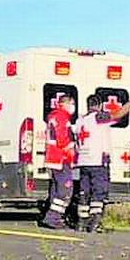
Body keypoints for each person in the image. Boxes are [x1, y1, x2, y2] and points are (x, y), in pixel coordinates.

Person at [73, 91, 130, 232]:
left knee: (84, 192)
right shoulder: (98, 117)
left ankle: (81, 222)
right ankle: (95, 223)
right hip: (97, 161)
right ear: (98, 106)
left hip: (83, 161)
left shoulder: (80, 121)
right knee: (99, 192)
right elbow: (118, 114)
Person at [39, 92, 76, 229]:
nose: (73, 107)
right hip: (61, 158)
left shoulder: (53, 116)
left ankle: (51, 217)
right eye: (71, 104)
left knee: (55, 189)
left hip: (53, 158)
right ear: (63, 104)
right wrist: (71, 152)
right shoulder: (61, 117)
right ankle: (53, 217)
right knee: (64, 190)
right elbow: (62, 139)